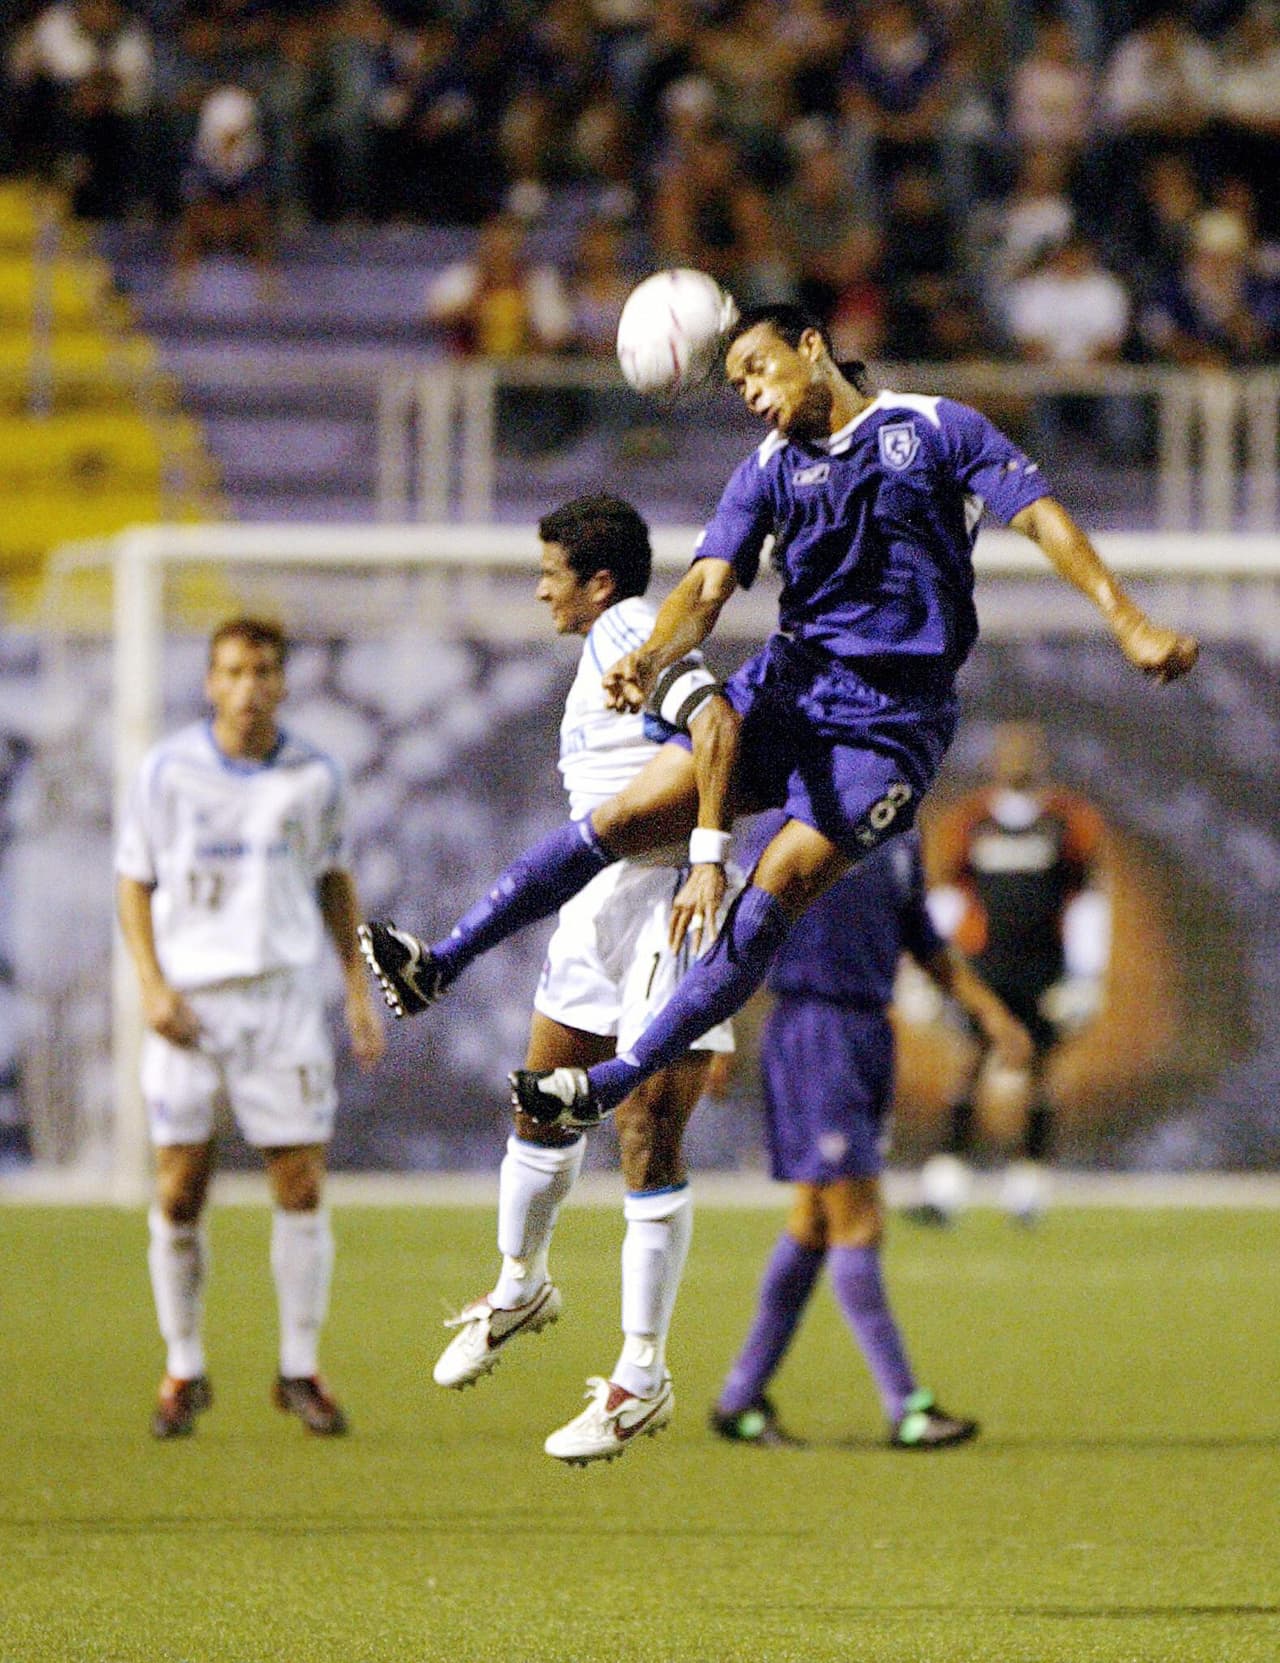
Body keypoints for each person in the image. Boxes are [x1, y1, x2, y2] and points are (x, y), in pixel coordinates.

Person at [361, 302, 1197, 1165]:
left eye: (758, 370)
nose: (751, 395)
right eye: (735, 387)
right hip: (791, 688)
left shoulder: (935, 428)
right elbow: (708, 585)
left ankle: (615, 1080)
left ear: (812, 347)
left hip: (892, 725)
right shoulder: (765, 470)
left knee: (778, 882)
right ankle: (442, 961)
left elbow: (1041, 514)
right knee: (621, 819)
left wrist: (1127, 620)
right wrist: (653, 652)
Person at [426, 494, 739, 1466]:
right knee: (540, 1108)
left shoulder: (632, 628)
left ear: (596, 581)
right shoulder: (604, 640)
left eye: (549, 572)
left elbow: (718, 726)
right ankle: (521, 1284)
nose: (538, 589)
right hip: (597, 906)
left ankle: (639, 1376)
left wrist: (707, 857)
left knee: (645, 1129)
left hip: (665, 903)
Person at [116, 617, 385, 1440]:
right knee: (179, 1187)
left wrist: (355, 986)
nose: (247, 686)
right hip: (189, 1005)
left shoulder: (315, 775)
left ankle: (299, 1368)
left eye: (262, 671)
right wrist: (152, 984)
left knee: (300, 1181)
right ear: (209, 681)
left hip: (279, 999)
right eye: (232, 671)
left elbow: (332, 879)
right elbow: (134, 882)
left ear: (282, 682)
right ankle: (183, 1367)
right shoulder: (165, 772)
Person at [711, 829, 1032, 1450]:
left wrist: (991, 1013)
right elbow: (731, 925)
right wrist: (714, 1024)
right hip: (814, 1032)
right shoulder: (785, 825)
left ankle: (741, 1398)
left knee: (812, 1223)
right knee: (858, 1223)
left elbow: (926, 943)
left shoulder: (898, 840)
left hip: (865, 1036)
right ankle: (907, 1407)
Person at [915, 721, 1110, 1226]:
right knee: (969, 1066)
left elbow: (1087, 896)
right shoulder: (972, 819)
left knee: (1041, 1072)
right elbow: (949, 894)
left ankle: (1028, 1189)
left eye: (1027, 754)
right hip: (985, 969)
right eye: (1009, 753)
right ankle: (946, 1188)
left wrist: (1088, 974)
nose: (1018, 762)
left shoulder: (1068, 820)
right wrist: (926, 965)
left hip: (1045, 967)